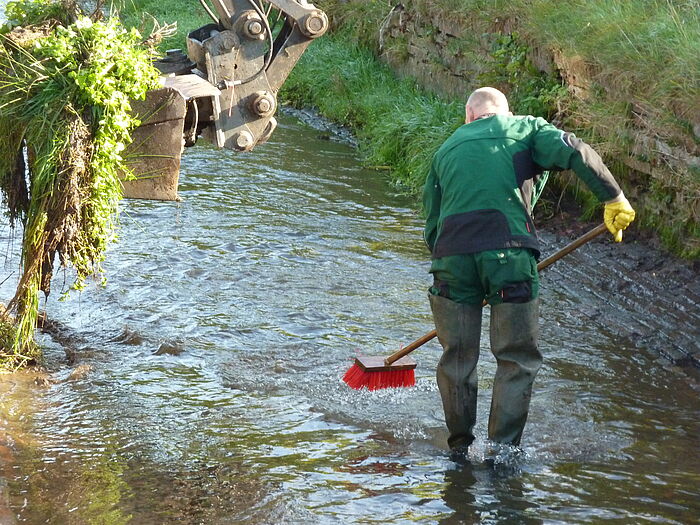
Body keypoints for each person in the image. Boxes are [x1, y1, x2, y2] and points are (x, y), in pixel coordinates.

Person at [423, 86, 635, 457]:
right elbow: (575, 151)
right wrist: (613, 197)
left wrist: (463, 273)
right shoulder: (526, 128)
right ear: (503, 111)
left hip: (451, 260)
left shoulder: (445, 150)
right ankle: (501, 454)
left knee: (456, 356)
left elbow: (432, 225)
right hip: (509, 256)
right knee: (516, 356)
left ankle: (458, 449)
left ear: (469, 116)